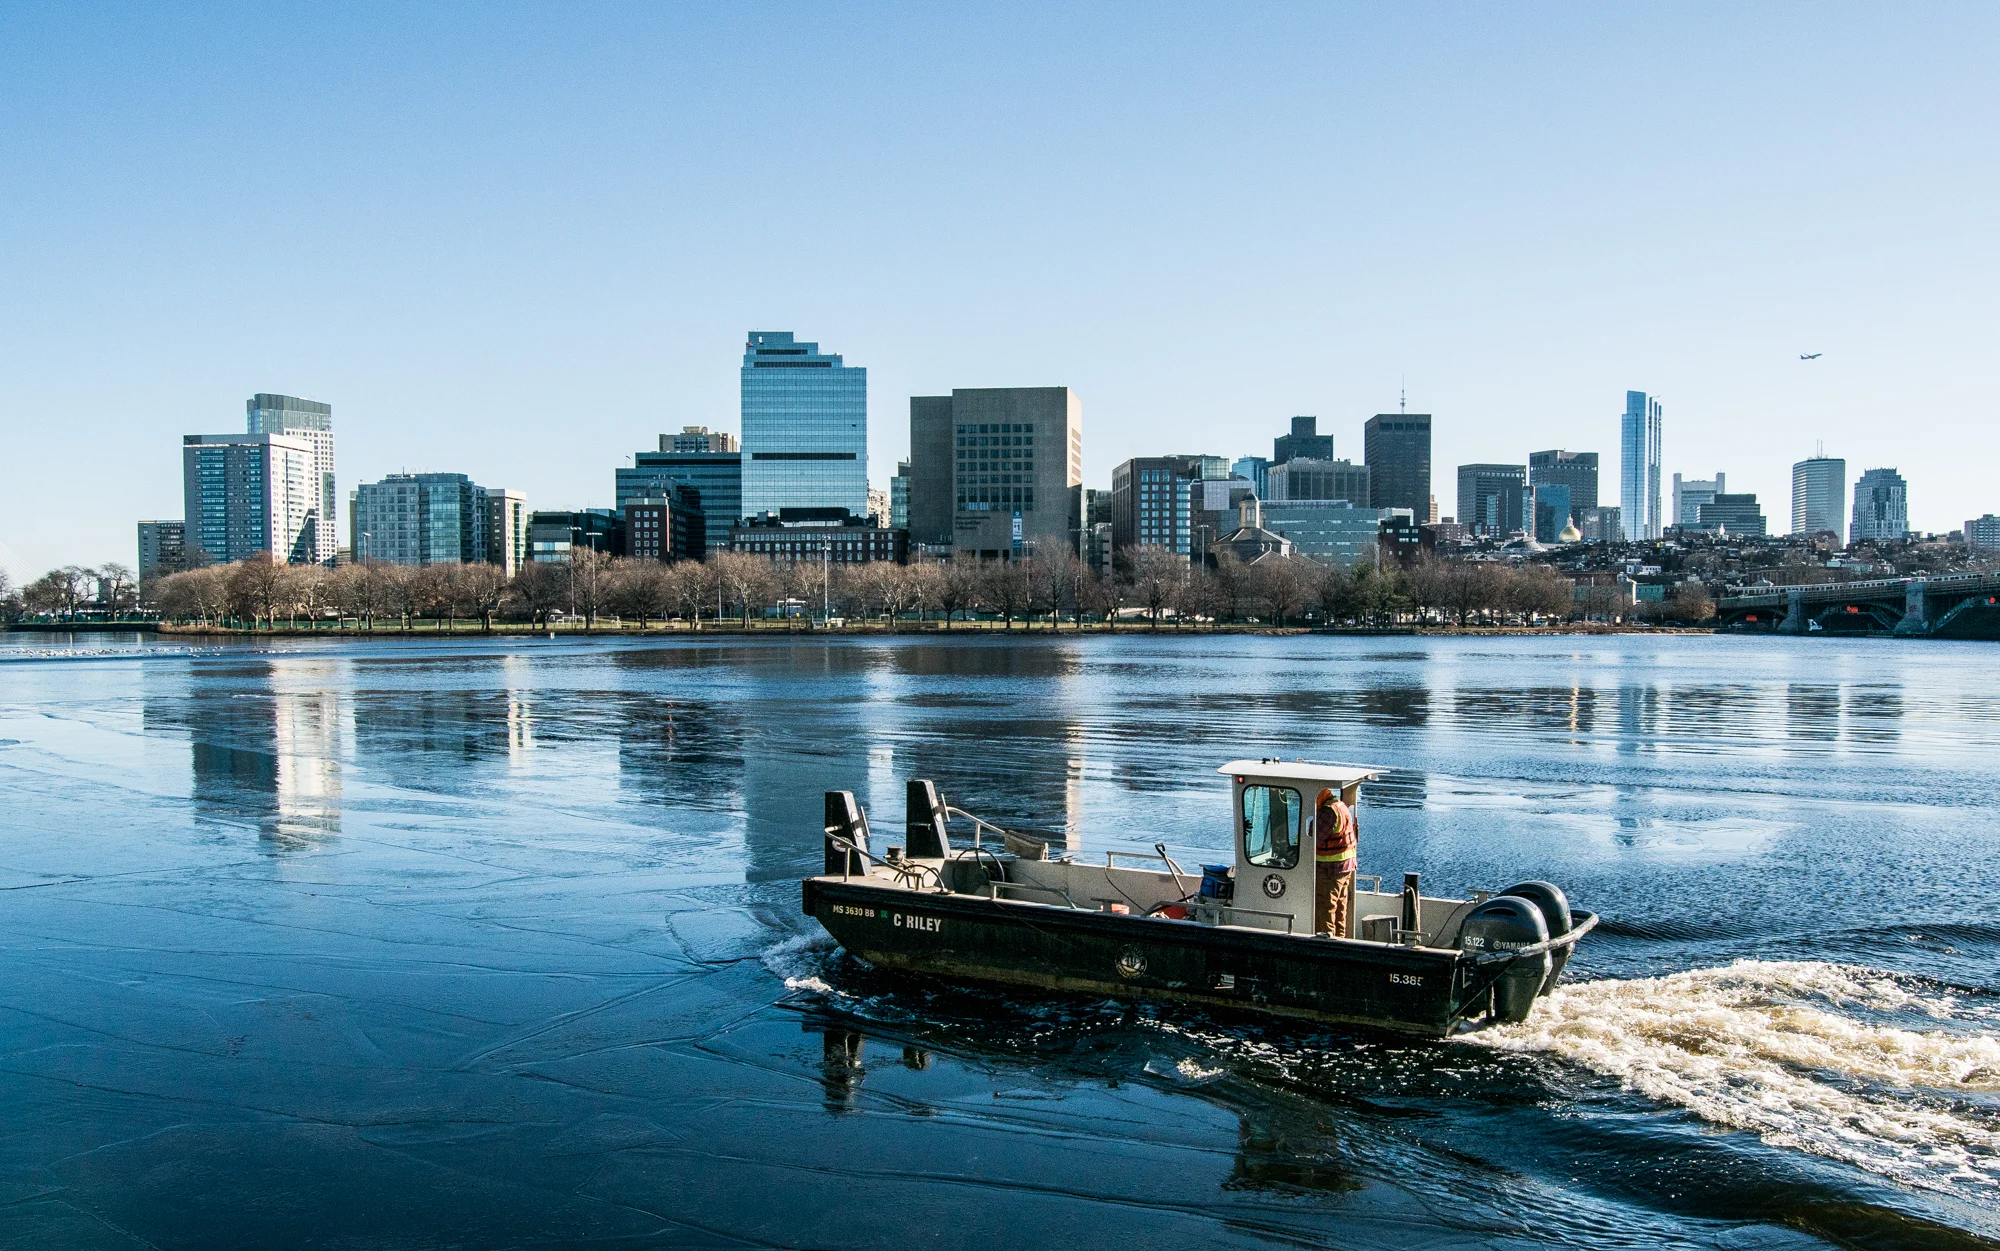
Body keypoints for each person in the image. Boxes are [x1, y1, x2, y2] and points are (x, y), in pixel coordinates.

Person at [1313, 786, 1357, 937]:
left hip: (1330, 868)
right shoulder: (1340, 806)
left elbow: (1315, 839)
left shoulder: (1328, 811)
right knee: (1339, 907)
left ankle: (1326, 943)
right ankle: (1340, 940)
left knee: (1325, 906)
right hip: (1345, 866)